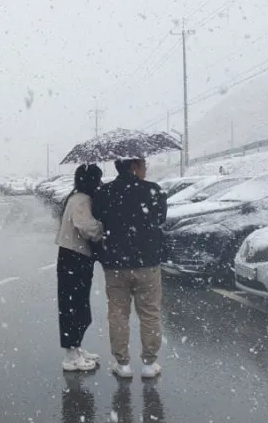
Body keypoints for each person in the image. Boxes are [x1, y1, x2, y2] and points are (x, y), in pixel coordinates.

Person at [92, 157, 167, 379]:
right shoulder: (153, 190)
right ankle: (149, 363)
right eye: (144, 165)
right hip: (147, 261)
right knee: (150, 313)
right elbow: (161, 218)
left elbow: (98, 216)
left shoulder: (105, 192)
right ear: (134, 166)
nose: (146, 169)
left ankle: (122, 363)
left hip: (115, 263)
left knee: (118, 313)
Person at [54, 164, 104, 371]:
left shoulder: (77, 197)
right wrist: (103, 229)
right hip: (75, 256)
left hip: (72, 256)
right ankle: (71, 356)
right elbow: (86, 227)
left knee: (77, 304)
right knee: (74, 305)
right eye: (98, 179)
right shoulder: (81, 200)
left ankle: (76, 348)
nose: (100, 183)